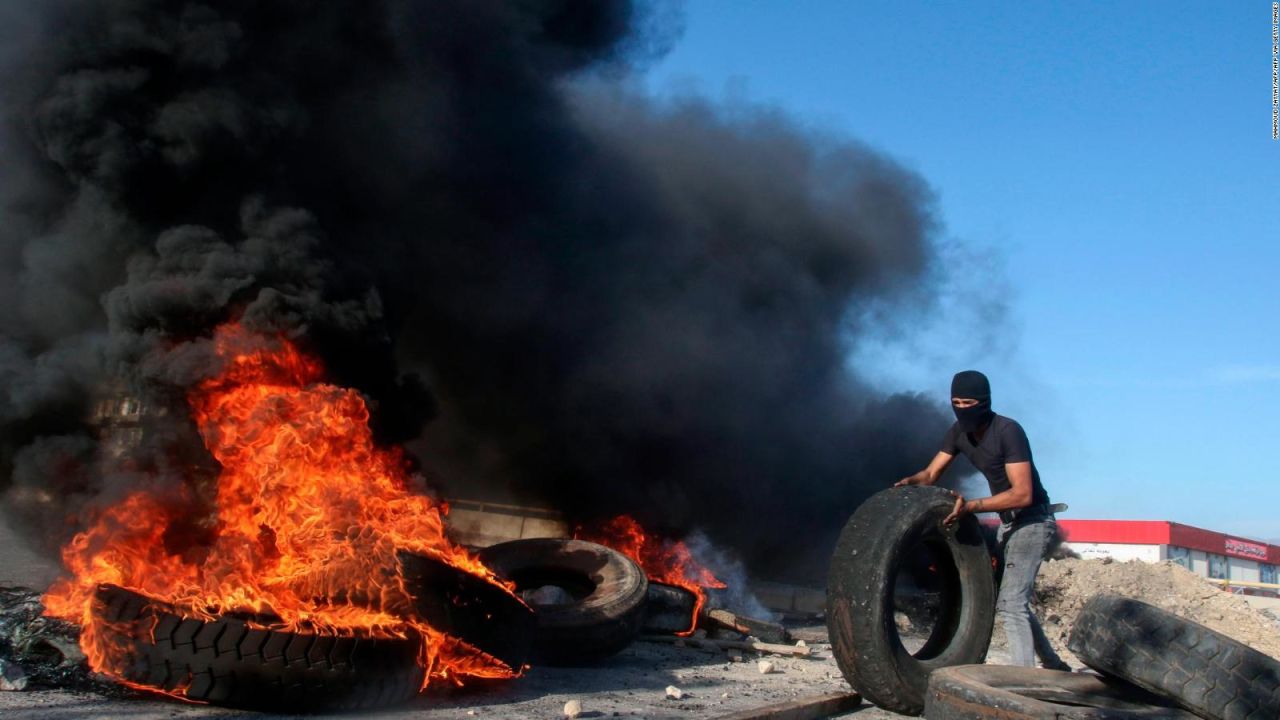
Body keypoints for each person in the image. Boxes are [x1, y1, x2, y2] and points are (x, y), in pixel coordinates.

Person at [895, 370, 1068, 670]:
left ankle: (1024, 682)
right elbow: (932, 473)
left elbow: (1023, 494)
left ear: (984, 402)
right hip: (1009, 525)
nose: (962, 408)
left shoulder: (1007, 431)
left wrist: (972, 505)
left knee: (1011, 604)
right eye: (956, 402)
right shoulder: (958, 433)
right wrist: (912, 480)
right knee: (1013, 602)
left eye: (969, 402)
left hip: (1034, 522)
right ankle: (1053, 666)